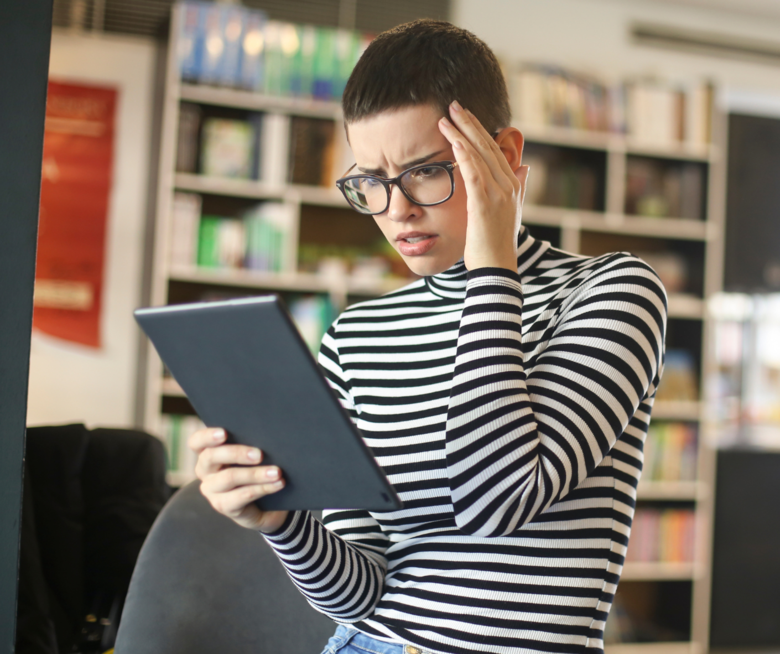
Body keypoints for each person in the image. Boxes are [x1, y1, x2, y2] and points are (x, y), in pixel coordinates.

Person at [188, 18, 667, 654]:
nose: (397, 210)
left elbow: (499, 499)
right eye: (371, 182)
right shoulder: (357, 335)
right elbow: (358, 594)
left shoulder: (612, 292)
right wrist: (282, 523)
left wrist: (493, 268)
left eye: (423, 172)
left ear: (505, 155)